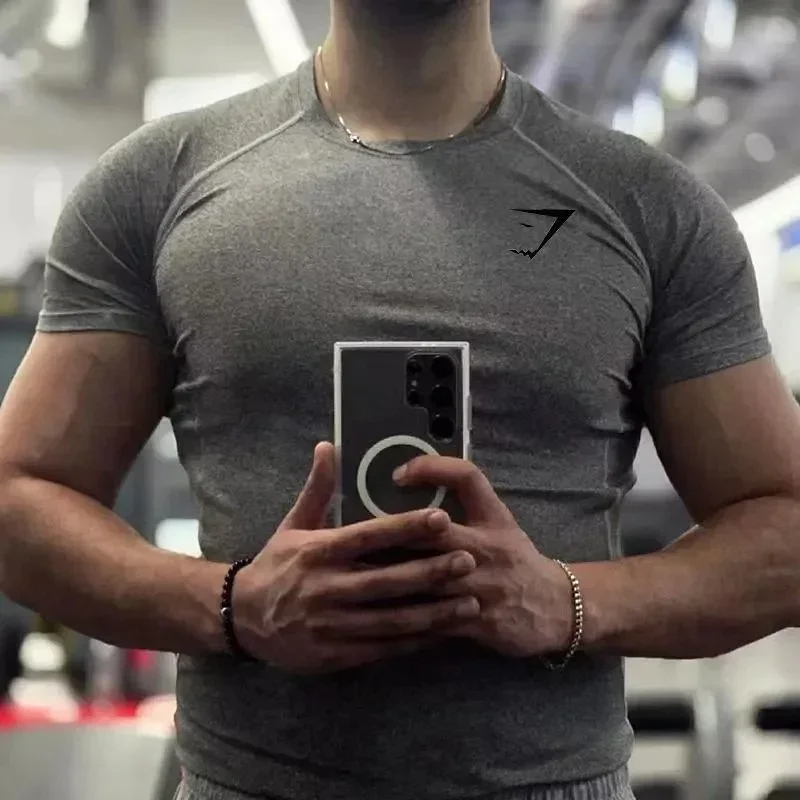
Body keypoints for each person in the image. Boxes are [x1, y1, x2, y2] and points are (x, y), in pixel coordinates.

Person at [0, 1, 798, 798]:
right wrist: (237, 606)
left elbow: (785, 527)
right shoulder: (157, 184)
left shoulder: (648, 206)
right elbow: (16, 499)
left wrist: (567, 601)